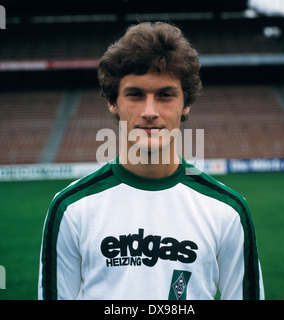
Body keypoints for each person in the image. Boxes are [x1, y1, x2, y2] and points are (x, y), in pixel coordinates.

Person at [38, 21, 264, 300]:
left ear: (186, 103)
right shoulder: (71, 208)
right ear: (112, 102)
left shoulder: (228, 211)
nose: (149, 111)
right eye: (135, 95)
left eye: (165, 95)